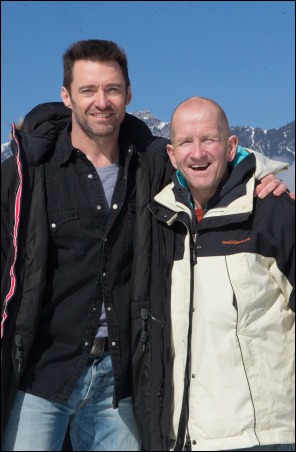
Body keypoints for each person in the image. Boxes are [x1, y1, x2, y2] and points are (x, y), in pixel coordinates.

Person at [0, 39, 291, 452]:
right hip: (42, 378)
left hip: (120, 387)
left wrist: (260, 175)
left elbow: (208, 152)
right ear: (67, 96)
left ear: (129, 95)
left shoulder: (151, 165)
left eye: (113, 90)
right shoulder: (30, 172)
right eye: (88, 90)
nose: (101, 102)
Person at [131, 97, 295, 451]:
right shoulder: (161, 221)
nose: (198, 152)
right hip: (184, 437)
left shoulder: (272, 212)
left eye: (209, 139)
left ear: (231, 145)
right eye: (186, 143)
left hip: (260, 437)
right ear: (172, 155)